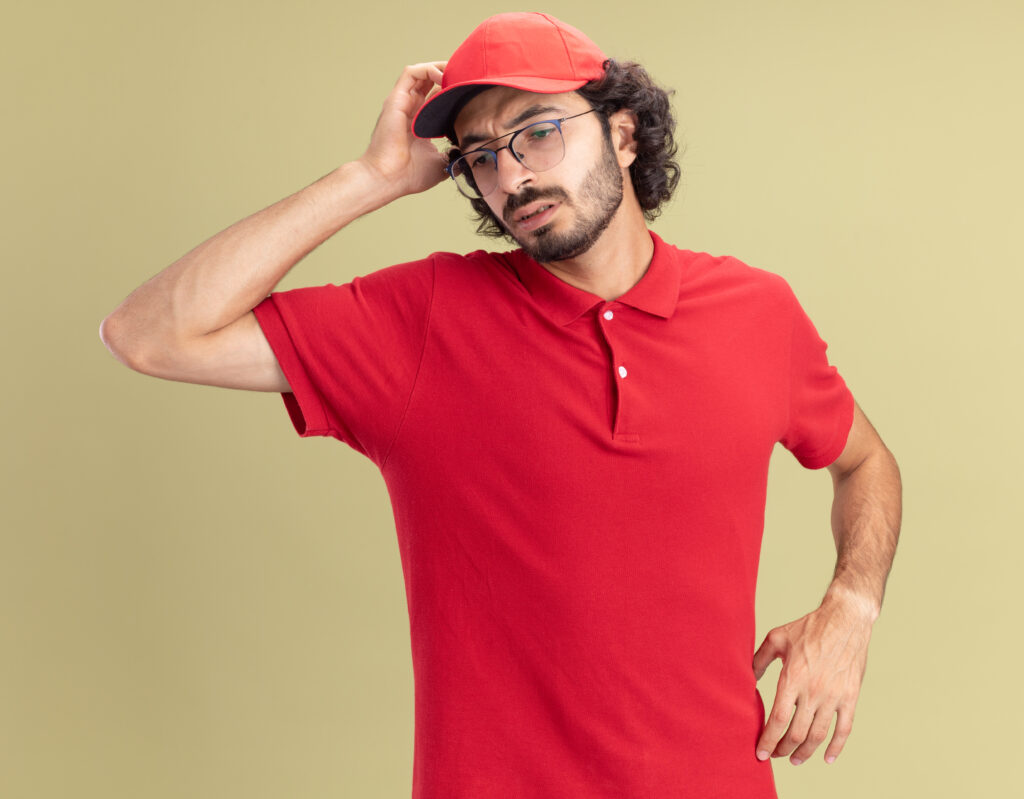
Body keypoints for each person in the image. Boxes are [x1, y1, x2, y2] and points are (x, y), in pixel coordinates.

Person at [99, 11, 902, 798]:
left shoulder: (756, 312)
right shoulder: (422, 321)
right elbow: (149, 333)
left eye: (538, 131)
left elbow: (865, 461)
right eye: (481, 155)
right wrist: (368, 179)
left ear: (623, 134)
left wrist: (852, 604)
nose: (512, 175)